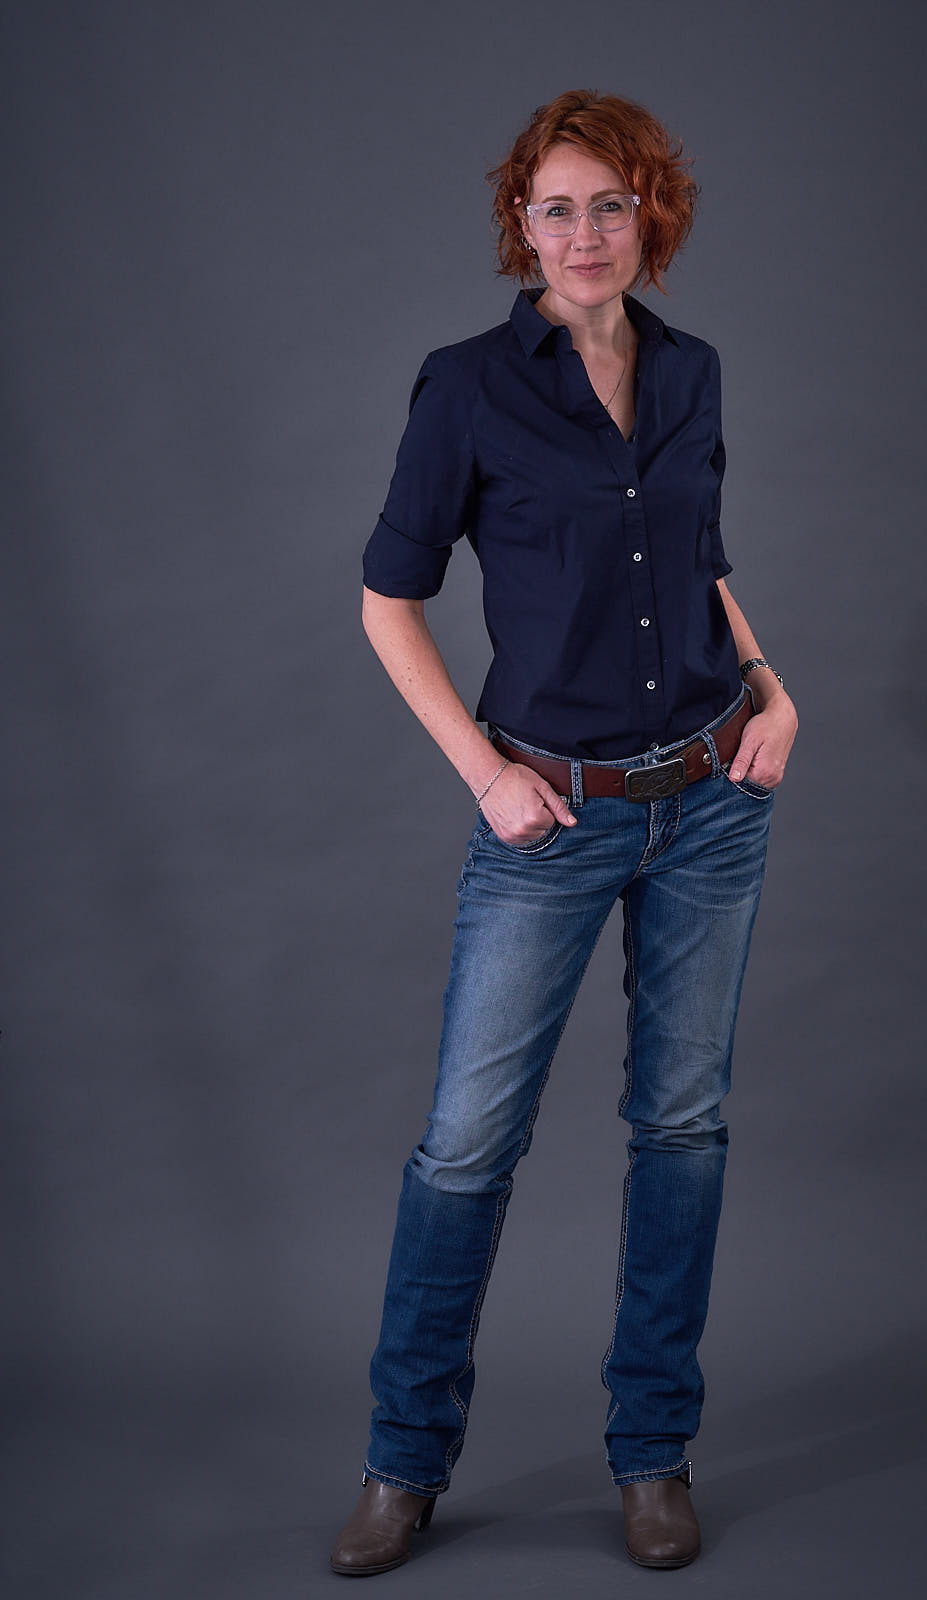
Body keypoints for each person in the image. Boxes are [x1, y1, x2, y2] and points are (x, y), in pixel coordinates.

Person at [330, 88, 798, 1577]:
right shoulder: (467, 388)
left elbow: (700, 563)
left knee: (683, 1129)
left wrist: (776, 691)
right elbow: (386, 602)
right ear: (519, 227)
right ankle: (405, 1462)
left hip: (712, 806)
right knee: (468, 1146)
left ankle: (653, 1453)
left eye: (612, 204)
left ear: (652, 213)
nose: (586, 233)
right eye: (557, 208)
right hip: (551, 819)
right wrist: (486, 777)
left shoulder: (693, 372)